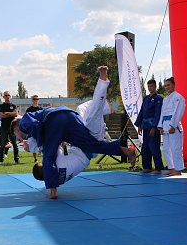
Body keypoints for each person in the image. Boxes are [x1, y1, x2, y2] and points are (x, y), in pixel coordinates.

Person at [12, 66, 136, 198]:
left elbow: (40, 138)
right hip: (69, 119)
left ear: (17, 128)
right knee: (88, 113)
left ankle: (53, 191)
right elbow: (44, 145)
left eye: (17, 135)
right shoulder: (28, 123)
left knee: (92, 116)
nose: (20, 138)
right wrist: (33, 143)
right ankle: (103, 83)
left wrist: (33, 144)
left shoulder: (24, 123)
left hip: (56, 124)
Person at [31, 66, 115, 198]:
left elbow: (57, 145)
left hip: (80, 141)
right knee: (94, 112)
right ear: (43, 168)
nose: (42, 161)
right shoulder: (51, 165)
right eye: (41, 163)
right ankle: (103, 78)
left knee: (81, 109)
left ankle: (107, 108)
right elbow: (54, 145)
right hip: (89, 144)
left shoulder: (56, 178)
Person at [134, 79, 164, 174]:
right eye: (149, 86)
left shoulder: (159, 99)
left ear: (155, 87)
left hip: (152, 127)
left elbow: (158, 113)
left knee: (154, 148)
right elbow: (142, 112)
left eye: (152, 86)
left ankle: (159, 168)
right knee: (145, 148)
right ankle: (147, 167)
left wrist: (154, 127)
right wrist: (139, 125)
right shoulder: (146, 99)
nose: (150, 88)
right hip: (145, 126)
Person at [158, 77, 186, 176]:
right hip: (165, 126)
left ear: (173, 85)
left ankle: (178, 169)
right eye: (165, 85)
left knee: (176, 148)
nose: (166, 87)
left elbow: (178, 112)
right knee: (165, 149)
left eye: (168, 85)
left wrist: (173, 125)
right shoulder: (165, 99)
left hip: (174, 126)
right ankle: (171, 167)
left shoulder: (178, 97)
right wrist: (160, 126)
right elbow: (162, 113)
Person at [0, 91, 19, 165]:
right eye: (6, 95)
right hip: (4, 127)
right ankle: (1, 160)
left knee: (15, 145)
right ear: (3, 97)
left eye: (9, 95)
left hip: (13, 128)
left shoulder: (13, 105)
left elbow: (16, 114)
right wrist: (11, 114)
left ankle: (16, 160)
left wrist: (7, 113)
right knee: (3, 144)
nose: (7, 96)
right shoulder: (1, 106)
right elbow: (1, 115)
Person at [26, 95, 43, 163]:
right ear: (32, 100)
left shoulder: (41, 109)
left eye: (37, 99)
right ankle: (35, 159)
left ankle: (42, 155)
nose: (36, 100)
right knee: (33, 143)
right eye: (34, 99)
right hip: (32, 129)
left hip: (40, 128)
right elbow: (27, 119)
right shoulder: (29, 110)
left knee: (42, 143)